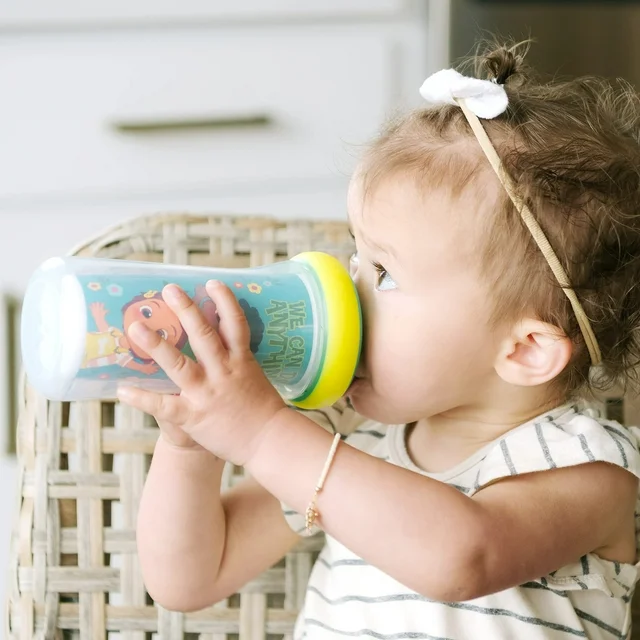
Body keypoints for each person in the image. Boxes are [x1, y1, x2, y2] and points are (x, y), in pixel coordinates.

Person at [118, 41, 640, 639]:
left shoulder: (591, 467)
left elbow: (462, 558)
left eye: (385, 274)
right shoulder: (352, 444)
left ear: (524, 350)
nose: (346, 290)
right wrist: (193, 447)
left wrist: (262, 434)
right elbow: (188, 580)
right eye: (356, 257)